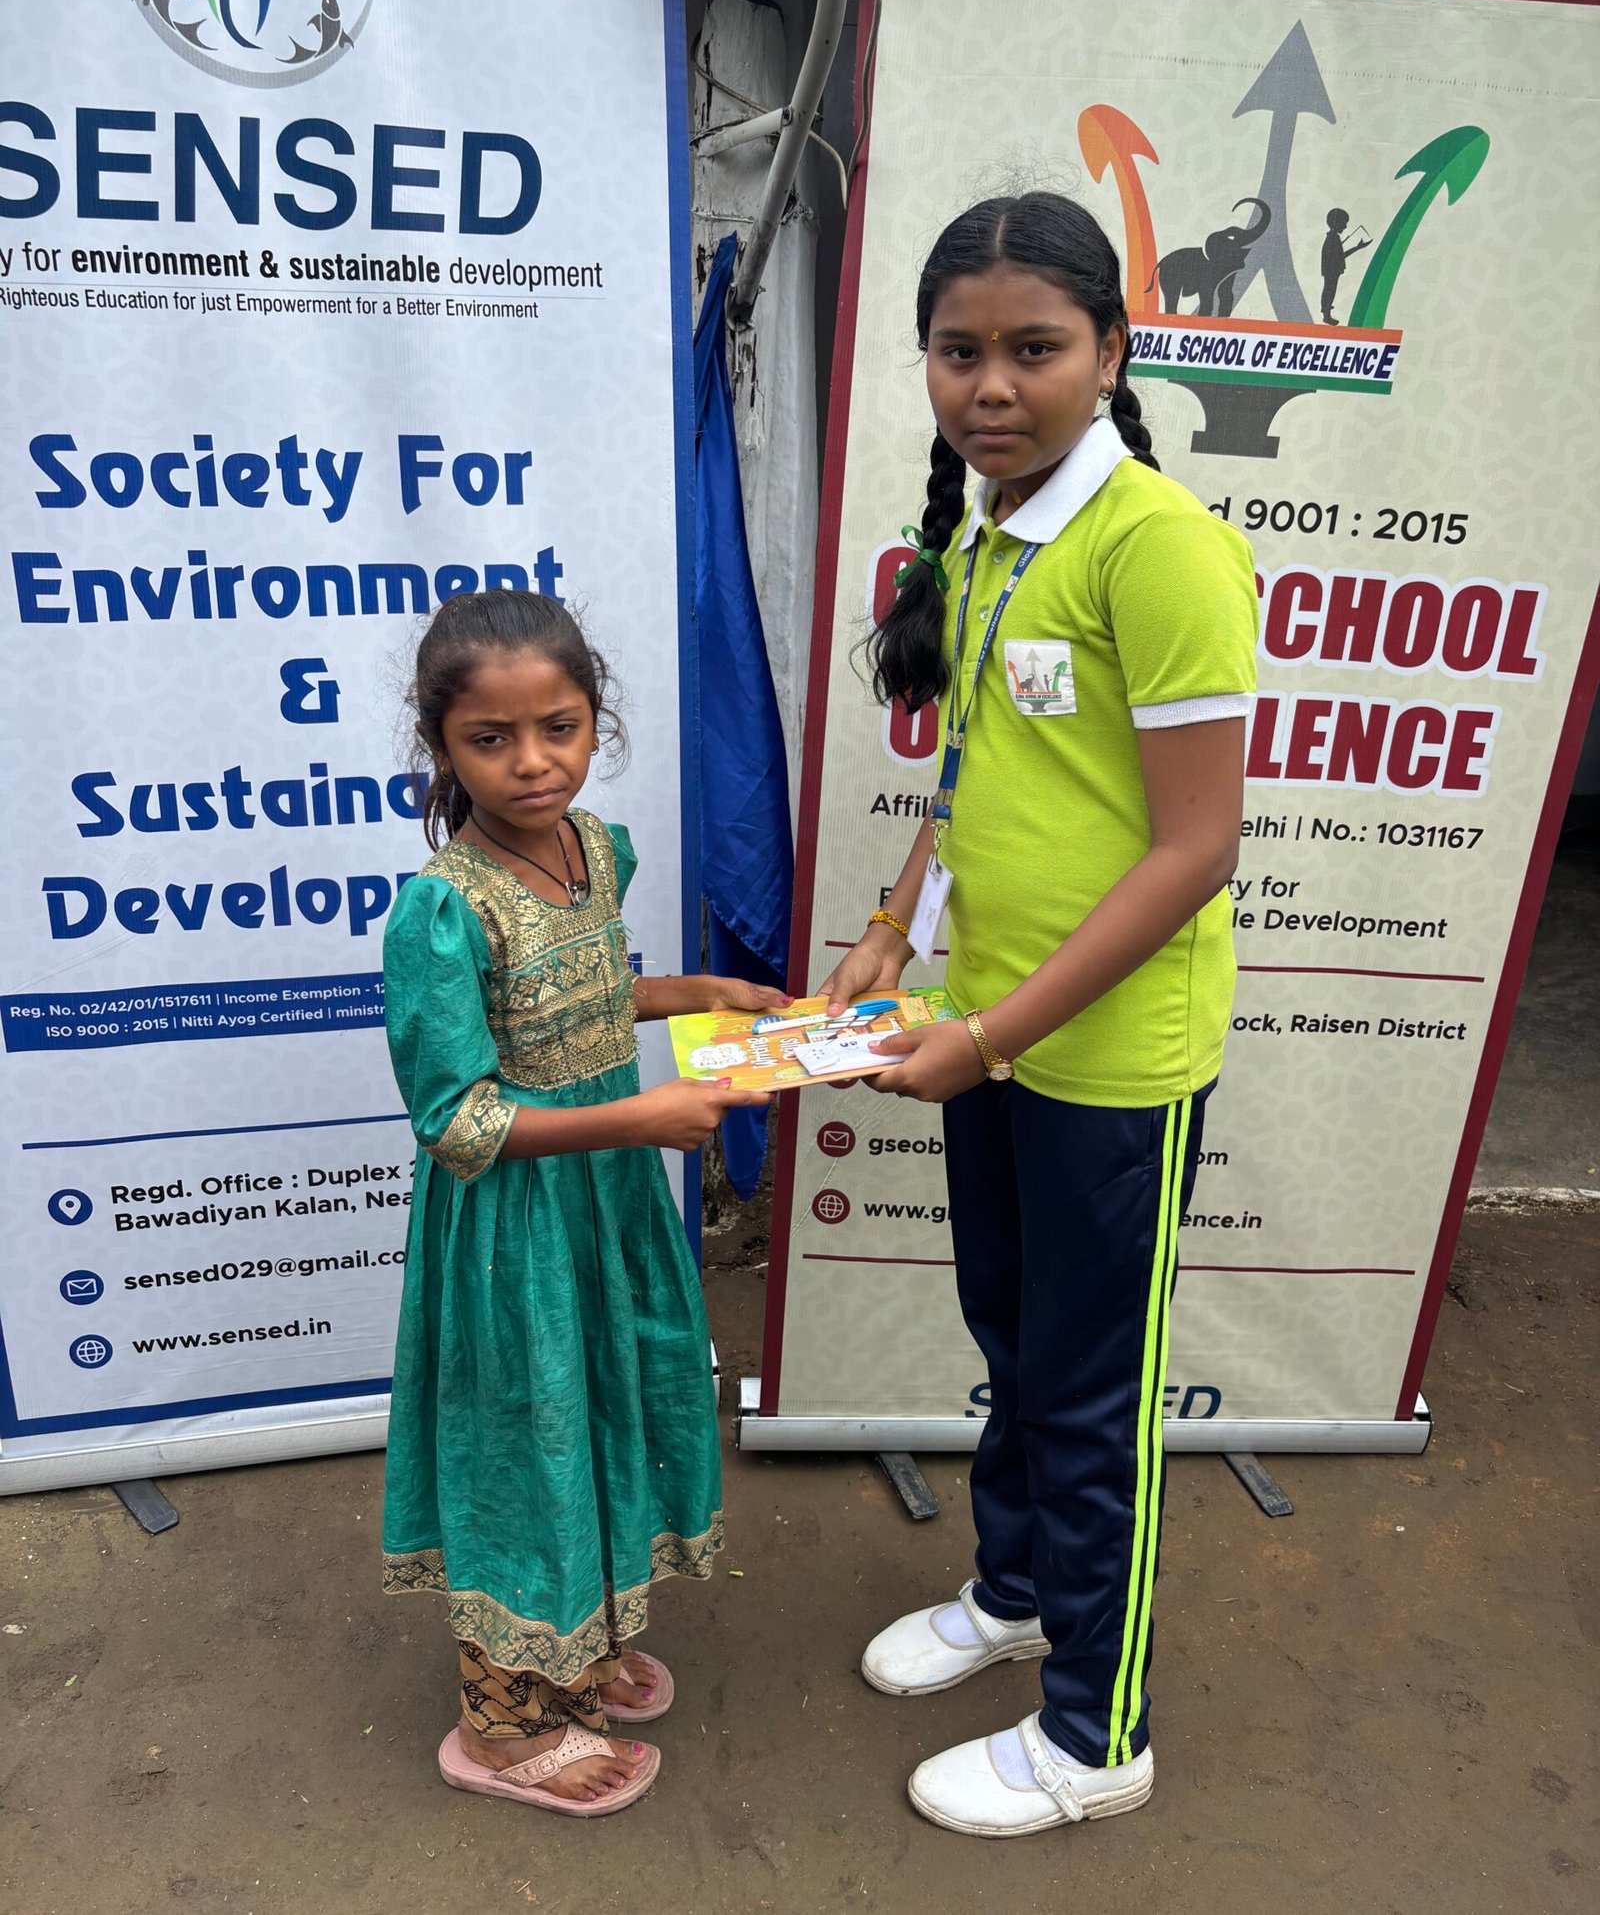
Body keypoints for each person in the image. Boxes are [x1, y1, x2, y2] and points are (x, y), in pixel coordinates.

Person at [823, 192, 1259, 1837]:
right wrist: (891, 933)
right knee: (1009, 1332)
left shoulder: (1159, 545)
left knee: (1088, 1391)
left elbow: (1196, 848)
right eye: (958, 351)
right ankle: (1013, 1590)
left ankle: (1097, 1730)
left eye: (1033, 348)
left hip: (1104, 1062)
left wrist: (993, 1037)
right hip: (989, 1030)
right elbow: (972, 779)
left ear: (1113, 353)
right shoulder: (985, 533)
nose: (991, 385)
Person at [381, 588, 781, 1817]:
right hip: (513, 1233)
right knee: (526, 1443)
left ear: (595, 720)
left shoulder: (596, 849)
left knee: (604, 1410)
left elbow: (586, 992)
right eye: (489, 739)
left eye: (558, 727)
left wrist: (696, 991)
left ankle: (575, 1651)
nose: (531, 761)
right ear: (440, 745)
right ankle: (503, 1732)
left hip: (606, 1205)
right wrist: (641, 1120)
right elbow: (457, 1120)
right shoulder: (442, 908)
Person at [1319, 207, 1372, 324]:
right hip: (1332, 271)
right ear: (1337, 223)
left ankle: (1326, 309)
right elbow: (1339, 256)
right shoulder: (1333, 238)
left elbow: (1339, 256)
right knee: (1329, 291)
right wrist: (1357, 248)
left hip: (1331, 270)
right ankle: (1326, 315)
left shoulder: (1332, 237)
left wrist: (1357, 247)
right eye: (1344, 223)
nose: (1345, 226)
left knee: (1328, 290)